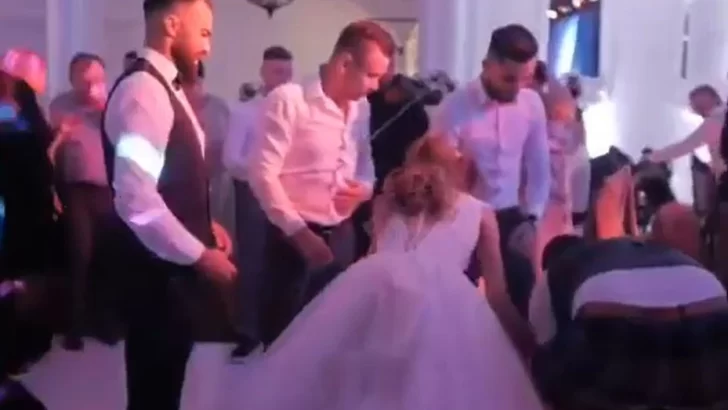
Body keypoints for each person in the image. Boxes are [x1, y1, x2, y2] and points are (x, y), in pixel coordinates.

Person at [237, 137, 542, 410]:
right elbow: (497, 296)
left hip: (378, 289)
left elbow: (375, 255)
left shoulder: (388, 201)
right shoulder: (480, 212)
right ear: (462, 170)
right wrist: (526, 342)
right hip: (442, 307)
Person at [100, 0, 236, 409]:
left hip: (169, 276)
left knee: (164, 386)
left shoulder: (163, 87)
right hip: (155, 279)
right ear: (172, 25)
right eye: (204, 33)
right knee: (154, 394)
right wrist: (200, 254)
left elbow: (173, 177)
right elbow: (136, 197)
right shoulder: (144, 91)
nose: (208, 48)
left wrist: (205, 224)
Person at [247, 20, 390, 346]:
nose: (376, 86)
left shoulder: (361, 107)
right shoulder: (289, 100)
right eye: (371, 75)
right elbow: (262, 173)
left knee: (331, 339)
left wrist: (364, 188)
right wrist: (299, 234)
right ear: (344, 64)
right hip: (291, 237)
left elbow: (365, 159)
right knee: (284, 339)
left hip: (341, 234)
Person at [531, 235, 728, 409]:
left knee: (548, 369)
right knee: (706, 384)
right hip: (709, 292)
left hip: (611, 314)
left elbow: (544, 347)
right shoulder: (628, 248)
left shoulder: (554, 272)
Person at [432, 24, 550, 312]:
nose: (518, 88)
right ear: (487, 66)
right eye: (509, 79)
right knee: (455, 306)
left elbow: (539, 167)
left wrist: (532, 218)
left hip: (511, 218)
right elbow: (436, 172)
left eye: (525, 79)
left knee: (524, 304)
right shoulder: (454, 107)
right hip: (462, 217)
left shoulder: (532, 104)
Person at [224, 45, 293, 361]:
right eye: (278, 72)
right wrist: (263, 175)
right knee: (252, 261)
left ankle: (279, 332)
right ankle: (247, 332)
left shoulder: (299, 112)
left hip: (290, 194)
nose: (284, 79)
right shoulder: (245, 112)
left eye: (288, 73)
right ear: (263, 73)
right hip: (253, 192)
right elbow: (231, 159)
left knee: (284, 263)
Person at [49, 52, 114, 351]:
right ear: (72, 78)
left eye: (96, 79)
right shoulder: (60, 106)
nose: (90, 86)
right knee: (80, 254)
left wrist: (105, 111)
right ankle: (75, 324)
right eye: (84, 79)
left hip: (108, 190)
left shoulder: (113, 106)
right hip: (74, 189)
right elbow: (52, 148)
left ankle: (105, 322)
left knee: (107, 255)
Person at [0, 49, 61, 278]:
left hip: (31, 190)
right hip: (18, 191)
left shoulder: (25, 108)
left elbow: (38, 147)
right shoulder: (12, 109)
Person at [645, 84, 725, 174]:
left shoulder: (714, 123)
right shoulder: (721, 115)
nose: (696, 111)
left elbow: (683, 147)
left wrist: (654, 157)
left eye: (696, 106)